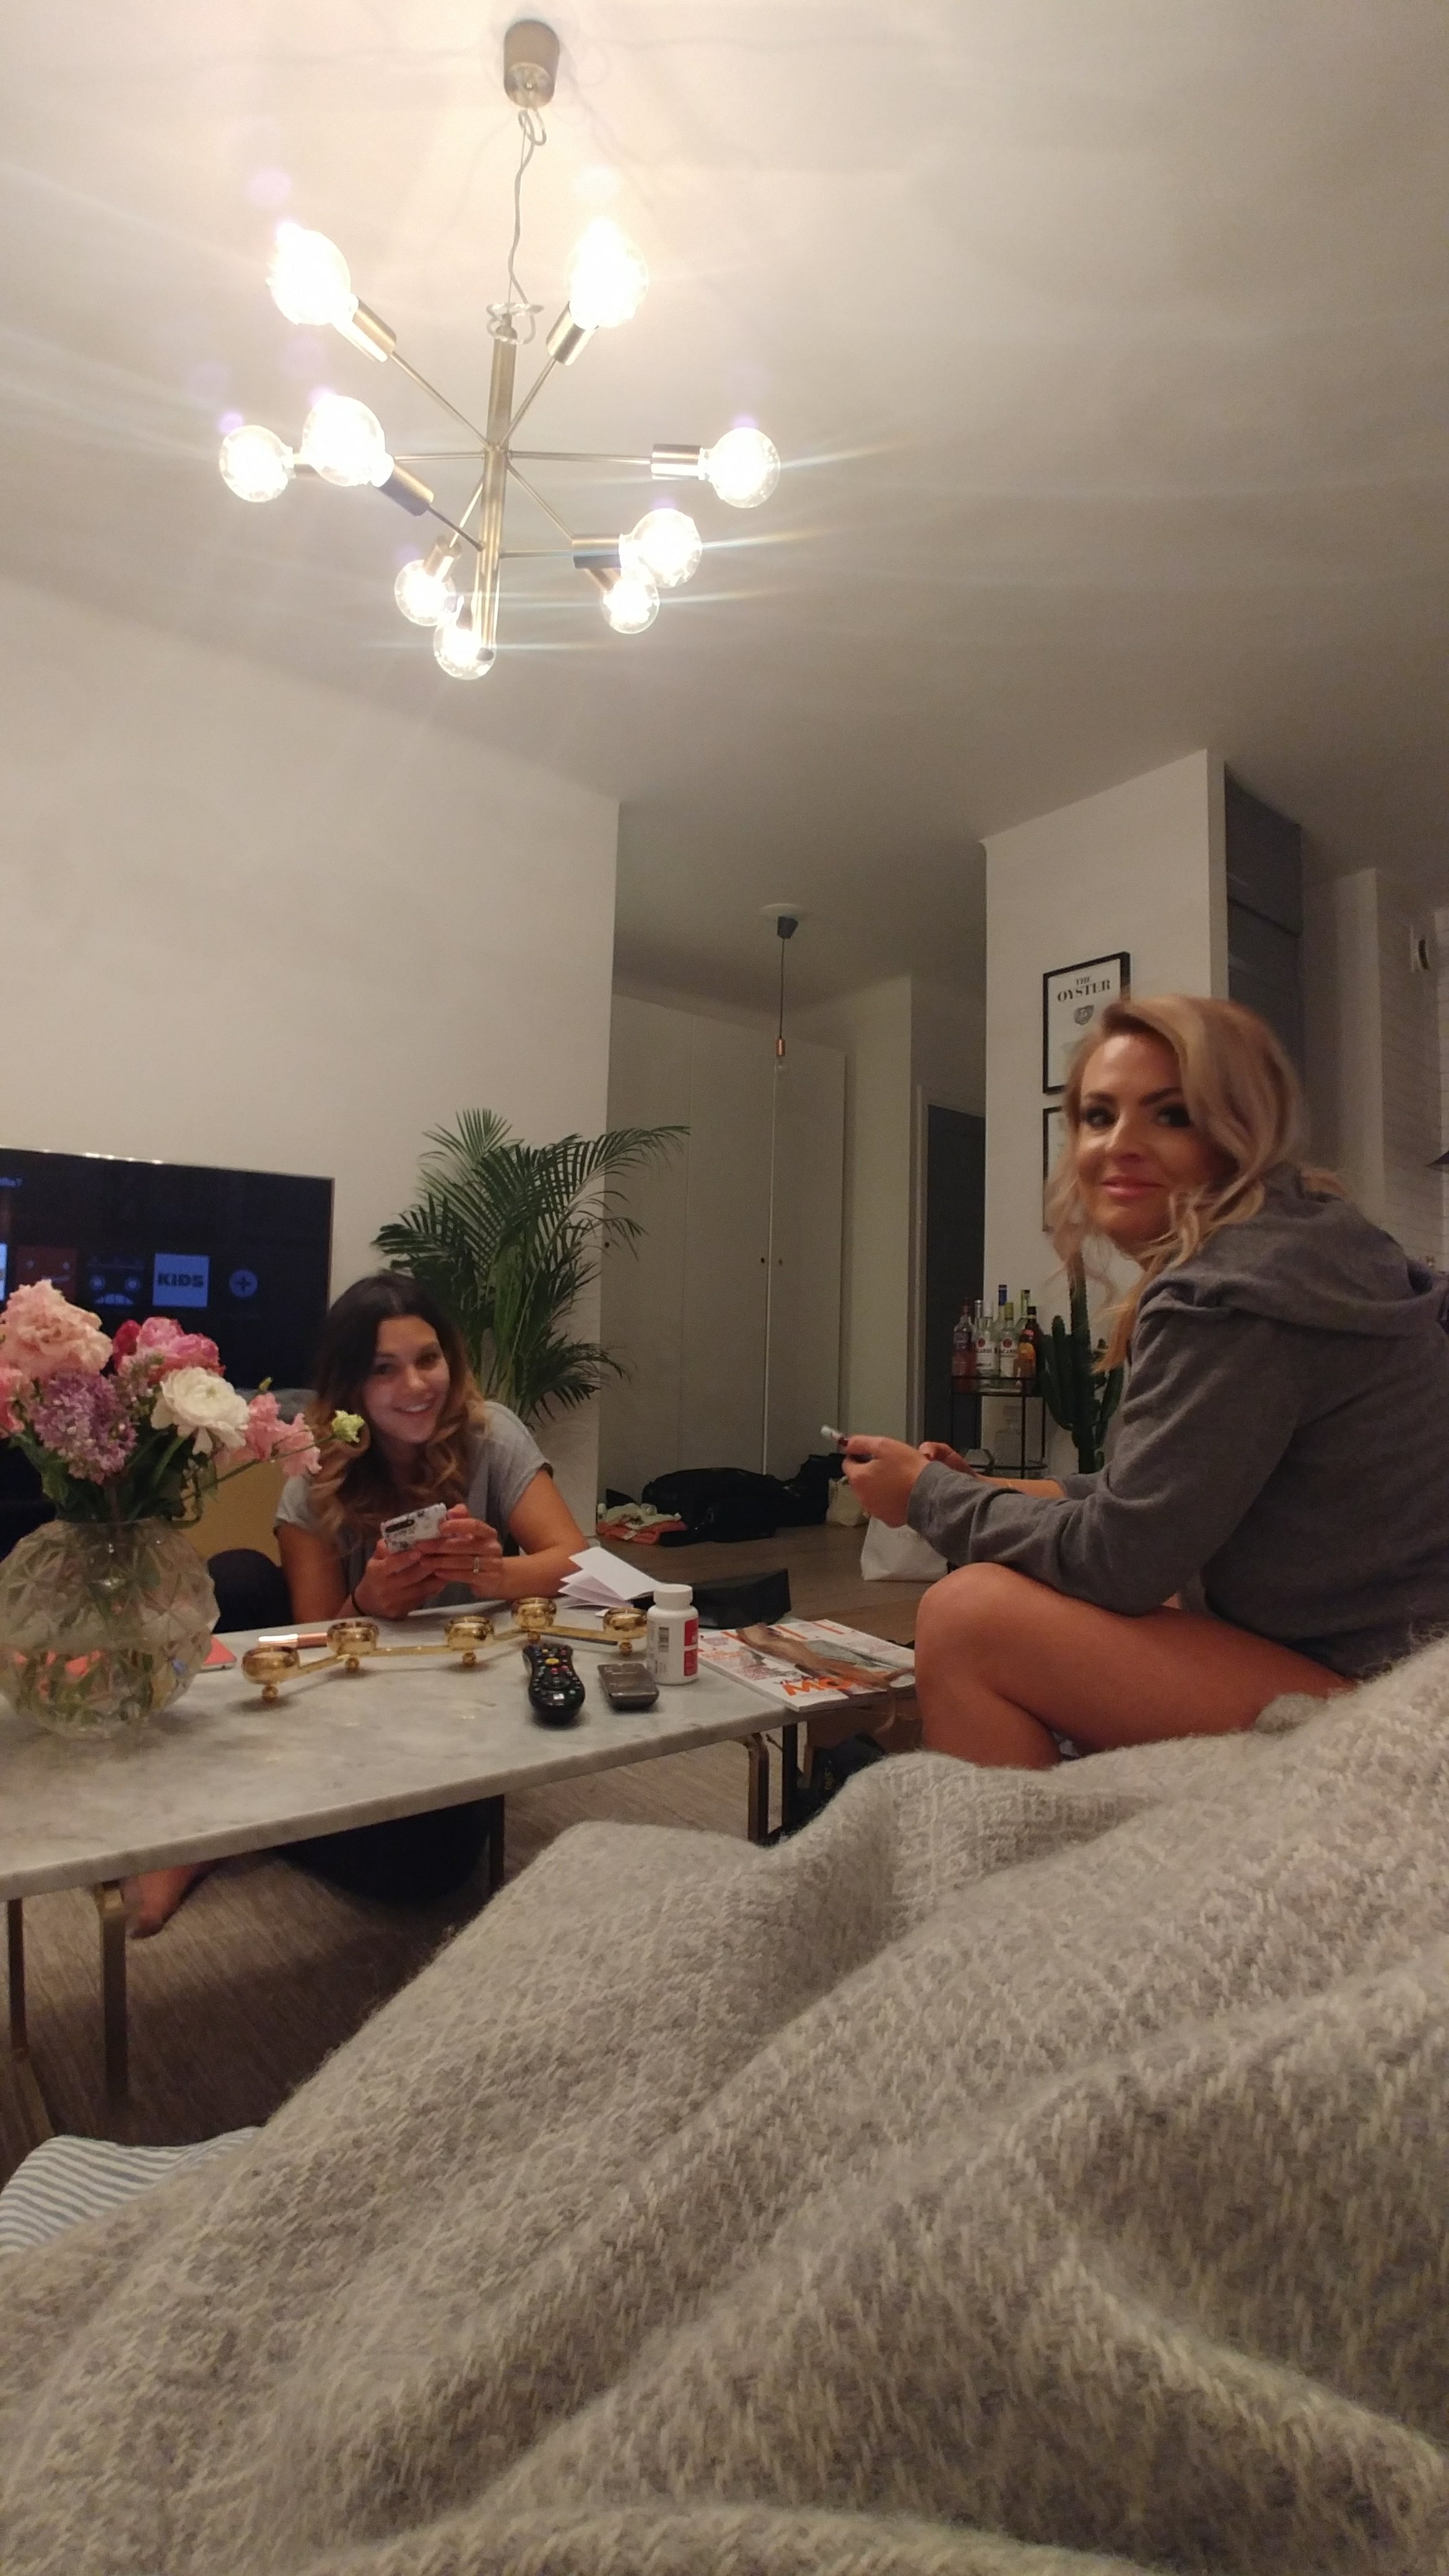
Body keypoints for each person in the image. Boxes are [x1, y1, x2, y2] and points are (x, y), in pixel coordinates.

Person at [843, 994, 1449, 1769]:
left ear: (1238, 1131)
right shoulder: (1306, 1243)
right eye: (1099, 1116)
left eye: (1171, 1115)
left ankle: (1025, 1848)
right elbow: (1153, 1493)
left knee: (967, 1617)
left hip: (1394, 1696)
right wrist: (968, 1484)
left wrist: (928, 1499)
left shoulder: (1230, 1296)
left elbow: (1120, 1559)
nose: (1120, 1145)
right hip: (1396, 1650)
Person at [129, 1274, 586, 1933]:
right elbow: (316, 1641)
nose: (416, 1385)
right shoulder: (314, 1466)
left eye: (428, 1359)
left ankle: (235, 1810)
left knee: (432, 1863)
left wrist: (495, 1573)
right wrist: (369, 1602)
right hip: (343, 1703)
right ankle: (227, 1817)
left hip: (453, 1701)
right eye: (384, 1369)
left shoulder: (491, 1434)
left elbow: (576, 1561)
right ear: (351, 1385)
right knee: (237, 1579)